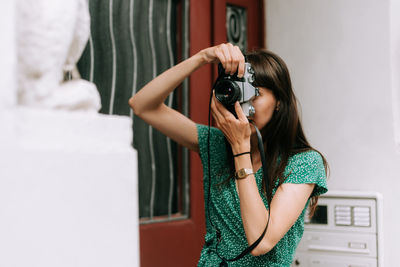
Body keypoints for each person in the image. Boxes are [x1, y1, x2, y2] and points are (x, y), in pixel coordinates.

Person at [129, 43, 328, 266]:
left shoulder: (303, 163)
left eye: (255, 94)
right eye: (239, 93)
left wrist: (240, 148)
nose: (243, 104)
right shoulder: (217, 145)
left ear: (279, 102)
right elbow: (142, 106)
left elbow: (260, 242)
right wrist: (202, 57)